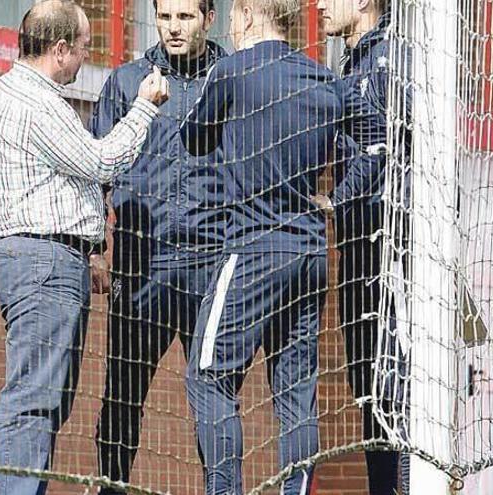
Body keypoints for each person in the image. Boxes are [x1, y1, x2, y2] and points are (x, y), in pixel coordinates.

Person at [179, 0, 386, 491]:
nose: (229, 25)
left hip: (253, 247)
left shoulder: (230, 72)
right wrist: (337, 199)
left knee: (207, 376)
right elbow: (378, 140)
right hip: (311, 253)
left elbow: (193, 138)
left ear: (248, 15)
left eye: (231, 16)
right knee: (295, 393)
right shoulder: (324, 80)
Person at [0, 1, 169, 493]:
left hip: (35, 256)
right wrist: (144, 106)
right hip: (44, 264)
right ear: (59, 49)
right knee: (35, 398)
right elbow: (103, 161)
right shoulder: (35, 102)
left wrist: (86, 246)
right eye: (82, 47)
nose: (85, 56)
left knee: (45, 396)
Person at [89, 0, 228, 492]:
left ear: (210, 19)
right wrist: (93, 249)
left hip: (209, 265)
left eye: (185, 17)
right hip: (139, 262)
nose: (172, 27)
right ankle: (112, 488)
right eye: (164, 16)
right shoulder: (126, 83)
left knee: (215, 398)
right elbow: (93, 171)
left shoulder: (230, 80)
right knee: (121, 397)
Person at [316, 0, 411, 493]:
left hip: (387, 240)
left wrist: (337, 199)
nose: (320, 4)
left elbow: (387, 141)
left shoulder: (393, 56)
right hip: (357, 242)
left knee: (394, 384)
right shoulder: (350, 61)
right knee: (368, 388)